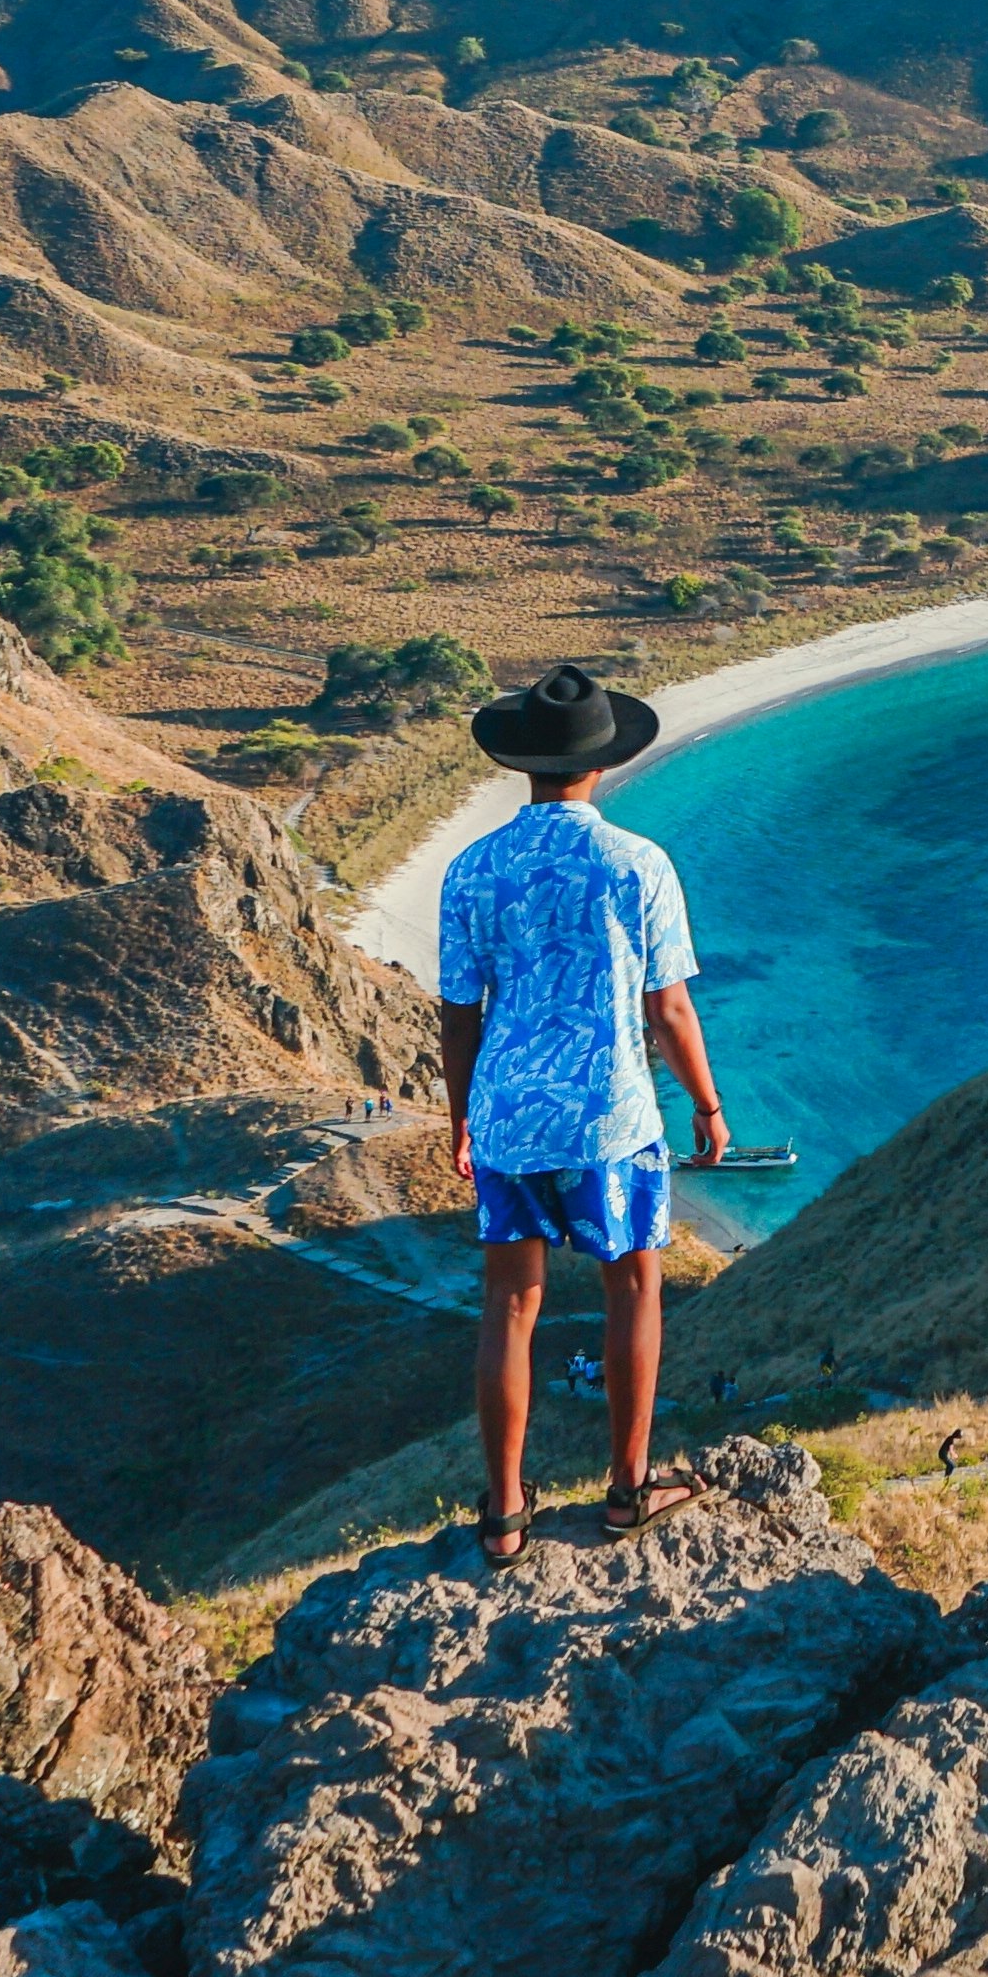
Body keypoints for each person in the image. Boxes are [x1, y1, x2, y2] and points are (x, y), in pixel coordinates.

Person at [437, 664, 736, 1562]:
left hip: (508, 1115)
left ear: (521, 766)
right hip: (612, 1114)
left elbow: (459, 1014)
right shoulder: (638, 864)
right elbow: (670, 1010)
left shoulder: (471, 869)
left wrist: (462, 1119)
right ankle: (629, 1488)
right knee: (634, 1287)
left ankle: (503, 1514)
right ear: (601, 764)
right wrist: (710, 1107)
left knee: (510, 1306)